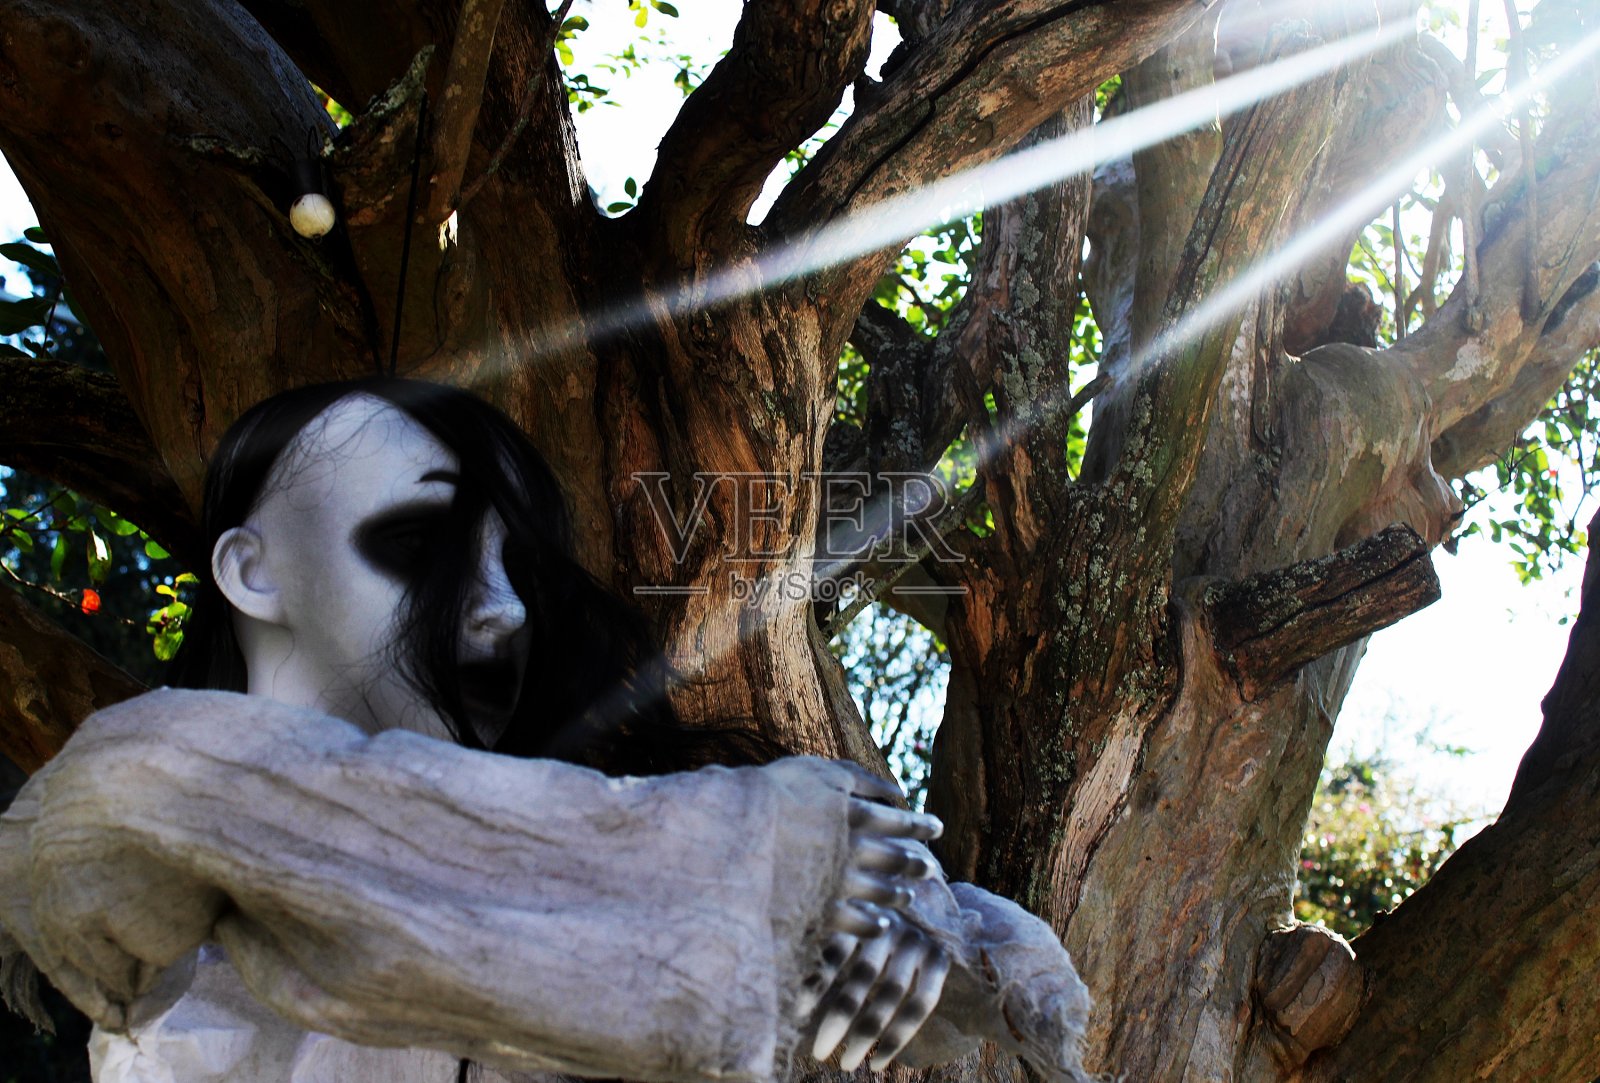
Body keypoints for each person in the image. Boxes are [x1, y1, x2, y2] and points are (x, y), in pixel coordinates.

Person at [0, 379, 1092, 1083]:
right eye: (421, 541)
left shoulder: (565, 875)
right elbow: (158, 795)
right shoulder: (147, 802)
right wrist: (759, 860)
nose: (505, 608)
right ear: (251, 570)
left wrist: (947, 924)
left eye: (515, 562)